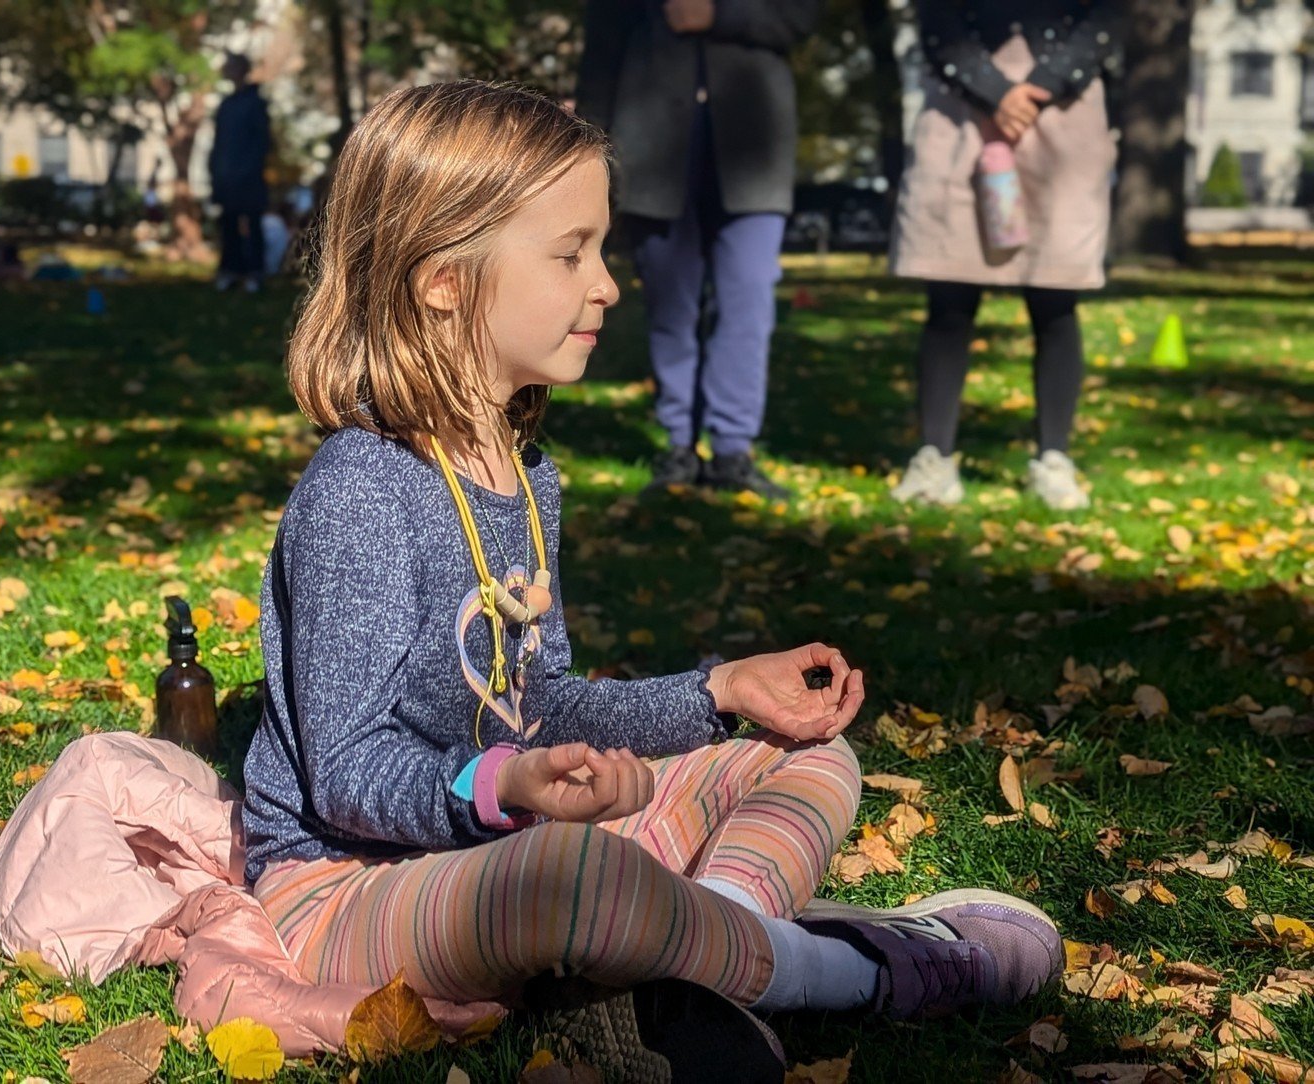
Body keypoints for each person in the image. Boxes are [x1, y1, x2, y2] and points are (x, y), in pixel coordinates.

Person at [241, 81, 1063, 1050]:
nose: (608, 283)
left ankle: (705, 970)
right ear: (442, 277)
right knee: (572, 881)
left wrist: (718, 693)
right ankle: (862, 973)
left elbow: (538, 702)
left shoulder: (524, 474)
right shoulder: (362, 488)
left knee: (804, 754)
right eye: (570, 252)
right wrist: (505, 787)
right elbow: (345, 773)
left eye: (602, 247)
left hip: (503, 855)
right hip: (347, 889)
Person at [577, 0, 819, 499]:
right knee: (671, 307)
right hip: (651, 149)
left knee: (748, 301)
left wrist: (719, 15)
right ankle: (679, 446)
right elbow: (601, 48)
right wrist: (586, 151)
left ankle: (733, 449)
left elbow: (800, 18)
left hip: (756, 147)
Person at [889, 0, 1120, 510]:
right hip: (960, 115)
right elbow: (937, 20)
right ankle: (934, 457)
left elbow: (1105, 17)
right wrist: (993, 90)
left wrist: (1043, 85)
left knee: (1056, 302)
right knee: (948, 298)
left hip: (1063, 115)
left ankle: (1054, 457)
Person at [208, 53, 271, 293]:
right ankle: (230, 271)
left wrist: (247, 170)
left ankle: (255, 272)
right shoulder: (226, 105)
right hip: (226, 177)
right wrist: (216, 171)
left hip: (249, 177)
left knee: (252, 223)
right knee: (228, 225)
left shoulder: (255, 103)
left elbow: (261, 142)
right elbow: (218, 142)